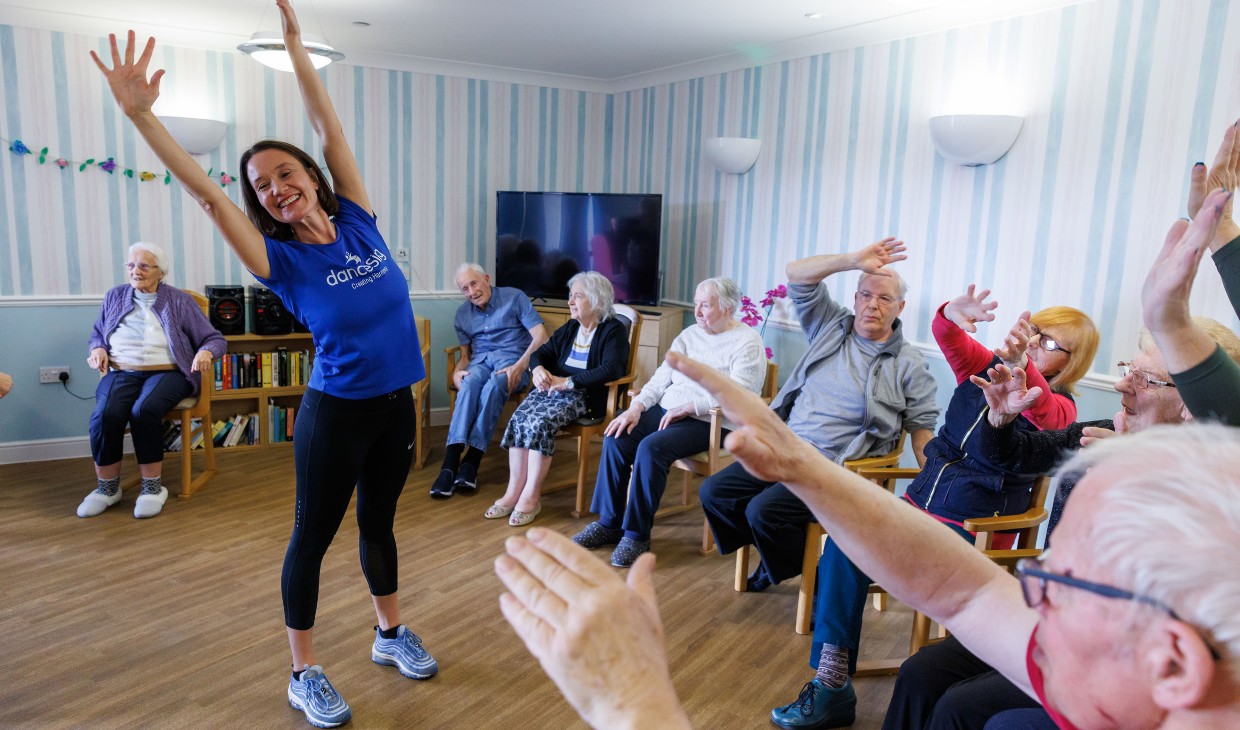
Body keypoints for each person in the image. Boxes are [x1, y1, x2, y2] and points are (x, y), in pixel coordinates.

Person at [496, 351, 1240, 730]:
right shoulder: (1140, 687)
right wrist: (800, 464)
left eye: (1057, 581)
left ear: (1171, 660)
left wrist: (630, 700)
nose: (1029, 589)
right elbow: (968, 585)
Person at [93, 3, 433, 726]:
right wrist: (141, 118)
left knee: (379, 525)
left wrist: (294, 47)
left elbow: (329, 128)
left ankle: (389, 634)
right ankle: (303, 672)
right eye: (263, 186)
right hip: (333, 414)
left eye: (285, 173)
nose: (276, 187)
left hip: (393, 406)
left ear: (309, 176)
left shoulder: (360, 221)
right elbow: (207, 198)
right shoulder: (279, 258)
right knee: (313, 536)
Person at [770, 289, 1098, 730]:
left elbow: (1048, 416)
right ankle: (831, 684)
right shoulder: (985, 367)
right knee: (844, 545)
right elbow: (948, 335)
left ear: (1072, 363)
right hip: (918, 507)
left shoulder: (1060, 407)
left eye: (1051, 343)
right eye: (1035, 332)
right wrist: (950, 314)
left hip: (971, 529)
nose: (1037, 344)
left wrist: (1025, 374)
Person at [699, 238, 938, 591]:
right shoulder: (829, 325)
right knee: (715, 492)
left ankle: (815, 581)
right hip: (782, 448)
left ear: (900, 307)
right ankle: (787, 562)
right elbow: (797, 274)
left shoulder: (910, 365)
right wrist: (853, 259)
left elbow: (923, 429)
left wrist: (934, 486)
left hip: (835, 468)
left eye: (885, 298)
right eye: (866, 295)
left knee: (764, 512)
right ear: (855, 298)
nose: (873, 305)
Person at [569, 277, 765, 567]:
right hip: (668, 410)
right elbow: (661, 379)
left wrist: (691, 406)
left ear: (728, 308)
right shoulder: (689, 335)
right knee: (617, 435)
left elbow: (742, 395)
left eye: (705, 306)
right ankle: (610, 522)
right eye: (696, 304)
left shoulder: (747, 342)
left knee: (651, 448)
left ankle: (636, 534)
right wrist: (635, 408)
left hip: (711, 421)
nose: (697, 311)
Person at [76, 242, 225, 520]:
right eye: (131, 265)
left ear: (161, 272)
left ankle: (152, 489)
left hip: (169, 371)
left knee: (143, 410)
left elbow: (214, 339)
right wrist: (97, 348)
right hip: (121, 371)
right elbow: (98, 333)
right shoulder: (115, 296)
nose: (136, 271)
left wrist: (205, 351)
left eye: (144, 266)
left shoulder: (179, 300)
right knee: (105, 415)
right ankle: (107, 490)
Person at [488, 272, 630, 526]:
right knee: (520, 417)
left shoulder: (613, 330)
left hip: (586, 396)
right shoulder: (571, 327)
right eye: (570, 295)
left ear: (597, 301)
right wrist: (538, 370)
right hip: (553, 390)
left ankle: (531, 496)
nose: (570, 301)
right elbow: (540, 353)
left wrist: (569, 382)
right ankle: (513, 492)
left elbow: (613, 369)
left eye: (577, 296)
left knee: (540, 423)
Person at [435, 262, 549, 498]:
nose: (471, 292)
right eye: (464, 289)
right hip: (479, 364)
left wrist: (521, 366)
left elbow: (541, 336)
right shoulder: (462, 314)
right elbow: (466, 356)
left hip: (512, 363)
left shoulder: (514, 297)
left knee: (495, 385)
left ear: (486, 278)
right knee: (467, 383)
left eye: (474, 283)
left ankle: (472, 462)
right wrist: (456, 373)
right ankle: (450, 462)